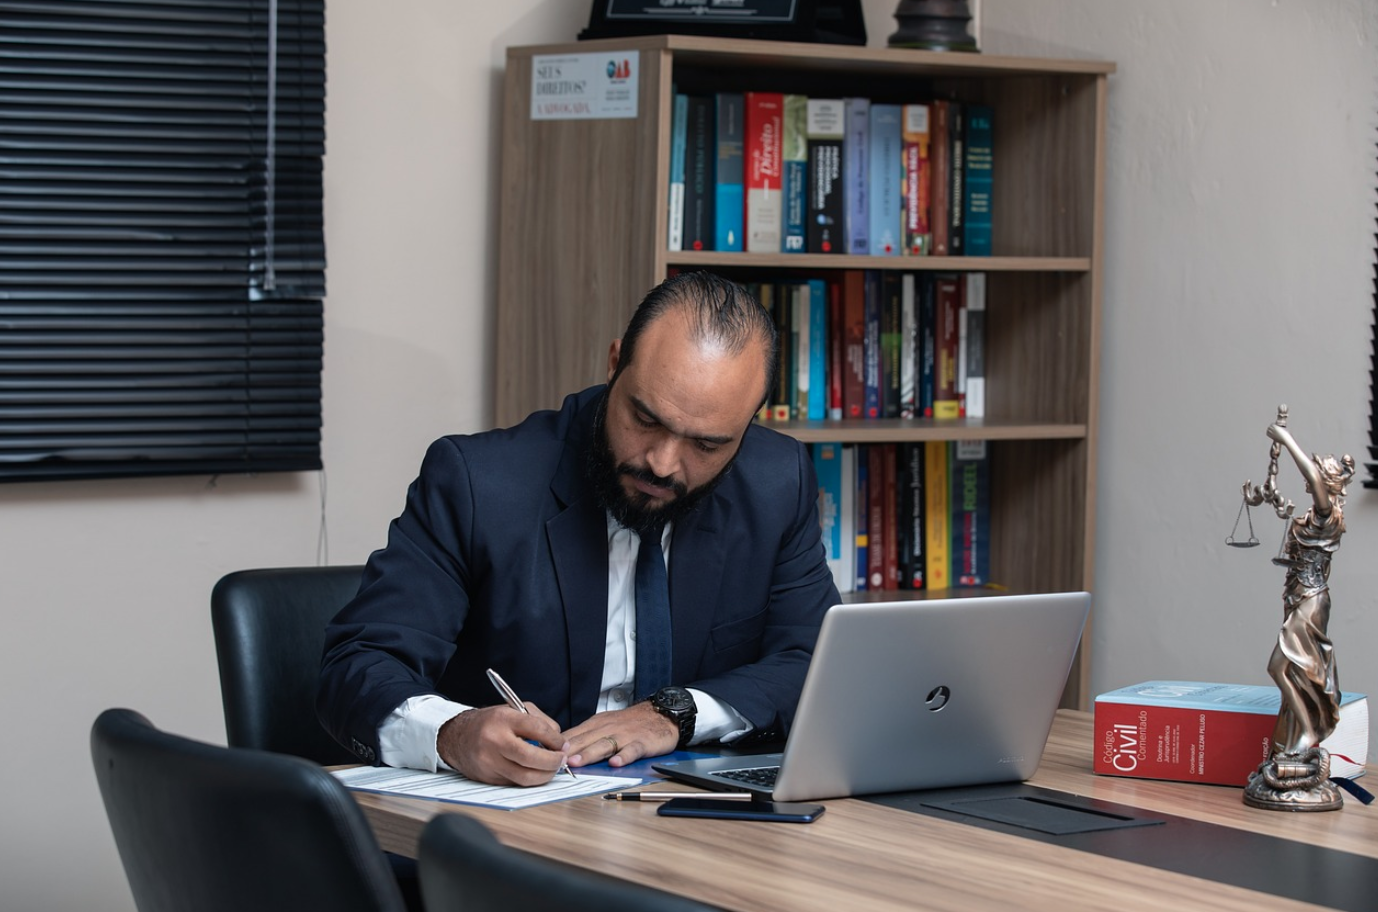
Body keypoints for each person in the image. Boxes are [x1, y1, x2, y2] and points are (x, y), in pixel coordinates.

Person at [318, 271, 840, 787]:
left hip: (697, 823)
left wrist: (675, 713)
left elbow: (816, 665)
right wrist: (452, 734)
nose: (662, 463)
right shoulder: (479, 483)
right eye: (645, 419)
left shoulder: (777, 482)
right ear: (615, 365)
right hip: (513, 828)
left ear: (748, 423)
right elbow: (357, 668)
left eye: (706, 445)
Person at [1262, 420, 1354, 757]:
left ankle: (1307, 735)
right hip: (1297, 596)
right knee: (1293, 672)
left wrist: (1285, 439)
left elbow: (1314, 479)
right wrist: (1264, 494)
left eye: (1313, 475)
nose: (1308, 478)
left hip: (1311, 600)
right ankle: (1295, 738)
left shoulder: (1329, 516)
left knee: (1279, 666)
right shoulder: (1314, 515)